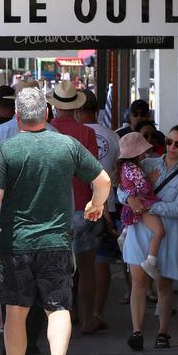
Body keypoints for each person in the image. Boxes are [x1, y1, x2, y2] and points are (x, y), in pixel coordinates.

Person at [0, 87, 111, 355]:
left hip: (16, 243)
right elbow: (103, 180)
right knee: (59, 307)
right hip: (57, 242)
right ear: (47, 114)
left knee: (15, 311)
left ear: (16, 118)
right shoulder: (67, 145)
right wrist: (95, 204)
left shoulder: (6, 149)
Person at [118, 125, 178, 351]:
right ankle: (137, 331)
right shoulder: (148, 162)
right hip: (140, 229)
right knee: (139, 283)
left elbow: (177, 209)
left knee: (163, 284)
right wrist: (129, 200)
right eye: (169, 141)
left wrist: (147, 206)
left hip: (168, 233)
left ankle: (163, 332)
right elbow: (122, 188)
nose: (172, 147)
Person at [46, 81, 100, 334]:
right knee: (86, 267)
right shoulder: (86, 133)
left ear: (54, 106)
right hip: (83, 206)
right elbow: (94, 174)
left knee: (56, 268)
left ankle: (61, 319)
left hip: (53, 209)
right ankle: (88, 318)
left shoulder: (45, 132)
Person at [75, 89, 121, 332]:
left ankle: (75, 313)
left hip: (78, 203)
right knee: (99, 262)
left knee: (76, 265)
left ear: (79, 110)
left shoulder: (69, 133)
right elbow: (118, 167)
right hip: (107, 204)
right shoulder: (112, 136)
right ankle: (95, 313)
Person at [116, 132, 164, 280]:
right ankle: (151, 260)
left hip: (133, 203)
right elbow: (143, 187)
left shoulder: (124, 168)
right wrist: (151, 180)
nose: (145, 154)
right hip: (143, 202)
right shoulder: (134, 169)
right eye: (143, 151)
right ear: (136, 153)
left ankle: (124, 233)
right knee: (159, 231)